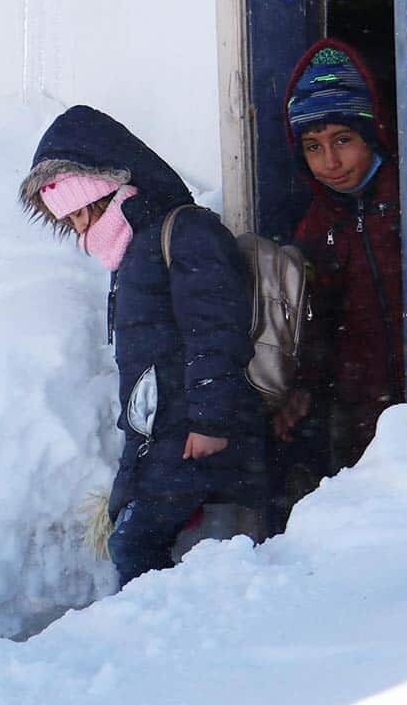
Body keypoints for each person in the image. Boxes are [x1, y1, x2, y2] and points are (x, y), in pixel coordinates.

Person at [20, 105, 266, 587]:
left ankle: (158, 643)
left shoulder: (184, 233)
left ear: (106, 190)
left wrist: (212, 422)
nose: (79, 230)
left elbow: (214, 329)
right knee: (131, 538)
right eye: (68, 221)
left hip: (194, 436)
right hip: (164, 437)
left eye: (81, 213)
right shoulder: (132, 253)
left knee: (134, 544)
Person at [274, 38, 405, 479]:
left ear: (374, 133)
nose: (330, 162)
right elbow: (317, 324)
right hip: (364, 414)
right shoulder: (316, 229)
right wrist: (303, 388)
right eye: (313, 147)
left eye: (343, 140)